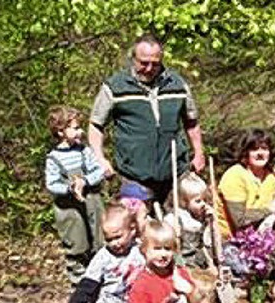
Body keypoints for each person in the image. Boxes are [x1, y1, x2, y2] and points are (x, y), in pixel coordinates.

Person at [88, 33, 206, 203]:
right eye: (144, 63)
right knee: (135, 224)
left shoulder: (178, 85)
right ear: (133, 58)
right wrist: (100, 158)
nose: (149, 69)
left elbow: (191, 122)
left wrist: (199, 153)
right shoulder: (114, 87)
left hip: (174, 173)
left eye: (155, 64)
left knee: (176, 225)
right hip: (133, 176)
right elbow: (95, 125)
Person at [60, 203, 145, 303]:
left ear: (132, 231)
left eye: (118, 237)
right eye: (108, 239)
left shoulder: (141, 250)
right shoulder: (103, 257)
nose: (113, 243)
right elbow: (86, 287)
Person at [46, 105, 105, 284]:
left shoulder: (84, 151)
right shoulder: (54, 158)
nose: (80, 131)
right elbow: (51, 184)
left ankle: (100, 275)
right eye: (75, 128)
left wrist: (85, 181)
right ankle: (78, 280)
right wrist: (69, 188)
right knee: (76, 242)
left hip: (91, 201)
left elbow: (98, 171)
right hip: (69, 207)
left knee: (99, 238)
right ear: (60, 131)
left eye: (80, 127)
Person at [217, 128, 275, 237]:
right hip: (232, 239)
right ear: (245, 153)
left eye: (264, 149)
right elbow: (240, 221)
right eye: (254, 149)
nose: (260, 153)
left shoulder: (269, 175)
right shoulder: (235, 175)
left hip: (265, 233)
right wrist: (269, 210)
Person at [164, 172, 214, 270]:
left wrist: (211, 223)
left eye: (205, 200)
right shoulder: (176, 219)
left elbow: (207, 244)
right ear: (184, 202)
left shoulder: (203, 218)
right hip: (183, 264)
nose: (203, 204)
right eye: (198, 201)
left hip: (200, 263)